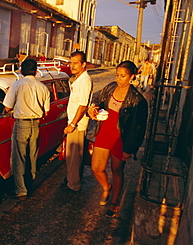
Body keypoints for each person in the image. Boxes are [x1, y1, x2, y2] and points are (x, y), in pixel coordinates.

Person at [87, 60, 148, 217]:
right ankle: (107, 187)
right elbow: (98, 99)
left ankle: (114, 201)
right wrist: (93, 108)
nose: (119, 79)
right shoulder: (110, 87)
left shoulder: (137, 100)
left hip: (121, 137)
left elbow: (138, 128)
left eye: (123, 76)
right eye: (117, 75)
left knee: (117, 170)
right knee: (96, 168)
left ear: (132, 77)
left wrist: (129, 149)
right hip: (104, 132)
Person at [3, 59, 50, 200]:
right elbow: (46, 111)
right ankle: (30, 183)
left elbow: (7, 107)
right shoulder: (42, 87)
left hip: (21, 123)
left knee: (19, 158)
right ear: (36, 71)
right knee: (32, 156)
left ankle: (21, 190)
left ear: (22, 71)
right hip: (36, 124)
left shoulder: (17, 85)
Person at [61, 51, 93, 192]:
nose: (72, 66)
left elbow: (83, 105)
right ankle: (71, 179)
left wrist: (72, 124)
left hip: (77, 125)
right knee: (72, 156)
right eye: (70, 62)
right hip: (74, 123)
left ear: (83, 64)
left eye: (75, 63)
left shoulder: (85, 81)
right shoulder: (78, 79)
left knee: (74, 157)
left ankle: (73, 185)